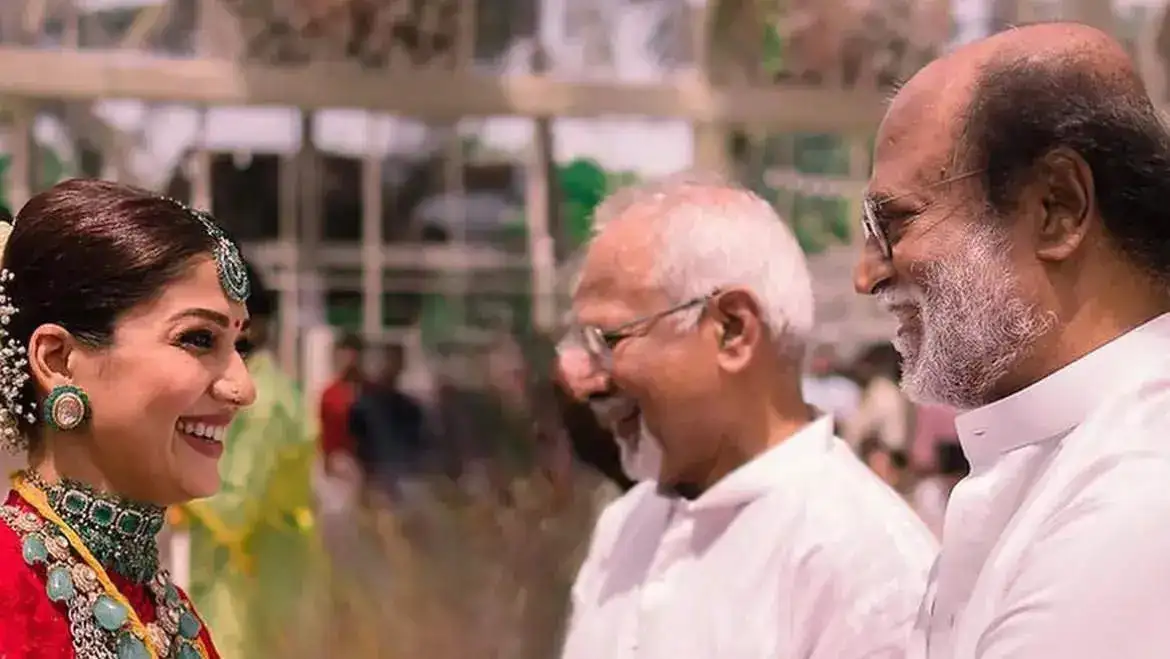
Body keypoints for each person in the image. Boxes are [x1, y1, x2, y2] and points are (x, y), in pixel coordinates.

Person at [854, 22, 1170, 658]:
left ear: (1057, 208)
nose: (866, 275)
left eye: (893, 224)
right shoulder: (1066, 456)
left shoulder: (1141, 487)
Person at [558, 173, 936, 659]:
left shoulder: (866, 569)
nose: (582, 377)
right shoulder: (628, 525)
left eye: (605, 342)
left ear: (732, 331)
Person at [0, 179, 255, 658]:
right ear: (57, 361)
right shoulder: (9, 594)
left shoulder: (166, 611)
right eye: (199, 339)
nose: (243, 388)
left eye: (239, 345)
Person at [184, 261, 319, 657]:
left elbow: (233, 509)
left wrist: (164, 480)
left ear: (252, 325)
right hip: (234, 578)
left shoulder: (265, 402)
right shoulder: (249, 390)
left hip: (256, 585)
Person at [349, 343, 427, 502]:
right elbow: (356, 442)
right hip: (375, 479)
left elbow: (418, 444)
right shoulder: (364, 406)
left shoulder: (409, 408)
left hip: (400, 478)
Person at [318, 333, 364, 477]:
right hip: (338, 463)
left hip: (366, 464)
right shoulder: (329, 394)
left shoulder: (370, 393)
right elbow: (324, 432)